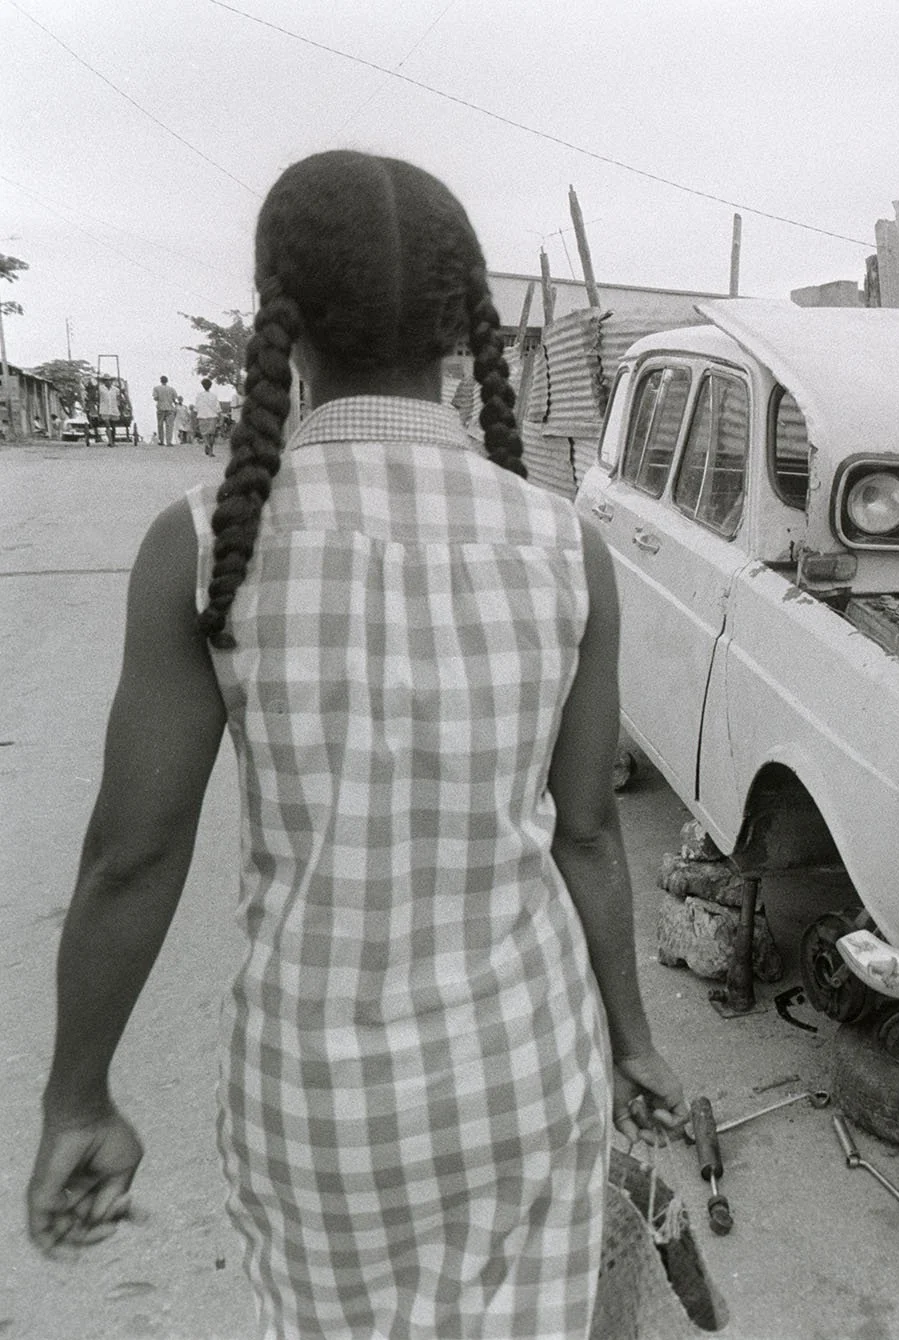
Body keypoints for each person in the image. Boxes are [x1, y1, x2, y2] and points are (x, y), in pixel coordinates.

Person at [26, 150, 687, 1337]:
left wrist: (79, 1094)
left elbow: (132, 857)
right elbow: (588, 834)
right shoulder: (561, 544)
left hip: (318, 1104)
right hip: (524, 1075)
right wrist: (632, 1040)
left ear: (277, 319)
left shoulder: (205, 541)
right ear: (460, 317)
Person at [193, 377, 221, 455]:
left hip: (202, 416)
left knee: (204, 434)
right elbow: (218, 407)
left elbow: (196, 407)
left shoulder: (199, 395)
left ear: (202, 385)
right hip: (212, 416)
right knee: (212, 434)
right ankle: (211, 449)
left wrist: (195, 418)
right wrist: (220, 417)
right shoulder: (214, 396)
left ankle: (207, 445)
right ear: (210, 386)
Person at [151, 375, 180, 444]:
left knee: (160, 425)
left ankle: (161, 440)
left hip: (161, 408)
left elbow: (155, 398)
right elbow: (175, 398)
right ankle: (169, 441)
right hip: (170, 408)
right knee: (169, 426)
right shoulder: (171, 389)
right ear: (167, 381)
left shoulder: (156, 388)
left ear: (161, 381)